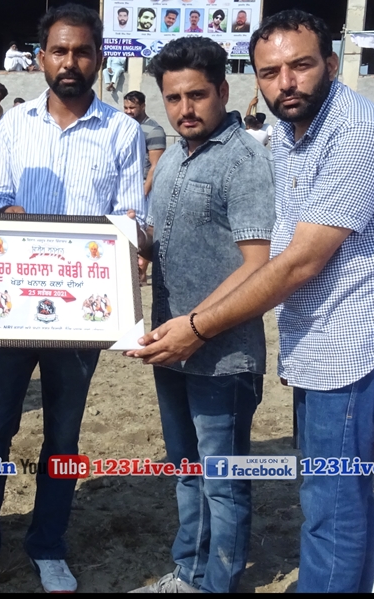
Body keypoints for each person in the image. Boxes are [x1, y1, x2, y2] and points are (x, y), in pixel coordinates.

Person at [128, 10, 374, 593]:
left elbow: (294, 261)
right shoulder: (287, 136)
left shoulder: (358, 130)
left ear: (331, 63)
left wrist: (196, 327)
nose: (286, 82)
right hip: (314, 341)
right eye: (270, 71)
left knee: (331, 502)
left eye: (300, 65)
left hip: (354, 346)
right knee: (328, 495)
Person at [0, 3, 146, 594]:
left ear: (99, 58)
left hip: (82, 316)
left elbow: (133, 218)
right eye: (59, 51)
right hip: (11, 308)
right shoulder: (15, 124)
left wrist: (130, 241)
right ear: (41, 59)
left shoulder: (123, 131)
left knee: (63, 435)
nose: (70, 62)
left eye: (82, 51)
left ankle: (48, 544)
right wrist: (2, 215)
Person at [127, 35, 275, 594]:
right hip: (172, 345)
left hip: (223, 355)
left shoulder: (245, 161)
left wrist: (196, 326)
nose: (185, 109)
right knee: (187, 470)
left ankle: (218, 584)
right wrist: (124, 244)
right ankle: (189, 573)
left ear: (223, 91)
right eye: (173, 98)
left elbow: (259, 264)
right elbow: (162, 237)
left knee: (223, 481)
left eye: (197, 95)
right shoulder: (172, 158)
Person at [123, 90, 167, 196]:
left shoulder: (154, 130)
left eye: (132, 108)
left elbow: (156, 165)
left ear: (143, 106)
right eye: (126, 108)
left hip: (142, 186)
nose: (128, 111)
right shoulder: (125, 127)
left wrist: (144, 192)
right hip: (125, 184)